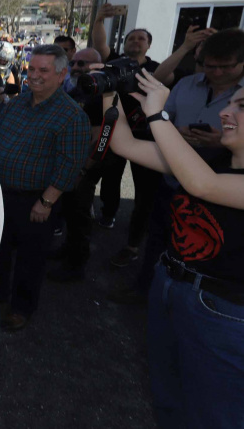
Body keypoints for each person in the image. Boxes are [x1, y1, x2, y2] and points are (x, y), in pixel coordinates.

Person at [105, 69, 244, 429]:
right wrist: (108, 93)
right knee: (168, 399)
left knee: (214, 413)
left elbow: (203, 186)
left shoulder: (202, 171)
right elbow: (125, 146)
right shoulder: (206, 159)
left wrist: (158, 115)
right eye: (229, 103)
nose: (226, 112)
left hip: (224, 311)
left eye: (240, 106)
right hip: (171, 285)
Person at [0, 44, 91, 331]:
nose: (34, 75)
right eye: (31, 68)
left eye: (43, 70)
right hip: (1, 194)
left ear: (61, 75)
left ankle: (21, 308)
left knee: (31, 259)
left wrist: (46, 202)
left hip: (36, 200)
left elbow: (70, 165)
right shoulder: (17, 104)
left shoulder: (71, 116)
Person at [91, 6, 163, 264]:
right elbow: (101, 45)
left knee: (144, 192)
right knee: (111, 177)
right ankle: (109, 214)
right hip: (115, 129)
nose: (135, 41)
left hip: (145, 136)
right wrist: (100, 19)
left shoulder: (156, 68)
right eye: (131, 37)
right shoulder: (117, 63)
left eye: (140, 38)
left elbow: (168, 76)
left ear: (149, 45)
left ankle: (135, 242)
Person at [49, 47, 106, 282]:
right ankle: (68, 250)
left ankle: (76, 266)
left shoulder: (100, 95)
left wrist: (84, 168)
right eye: (73, 63)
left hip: (85, 166)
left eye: (82, 64)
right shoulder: (76, 90)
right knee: (70, 211)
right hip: (69, 163)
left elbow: (100, 137)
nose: (76, 68)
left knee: (80, 213)